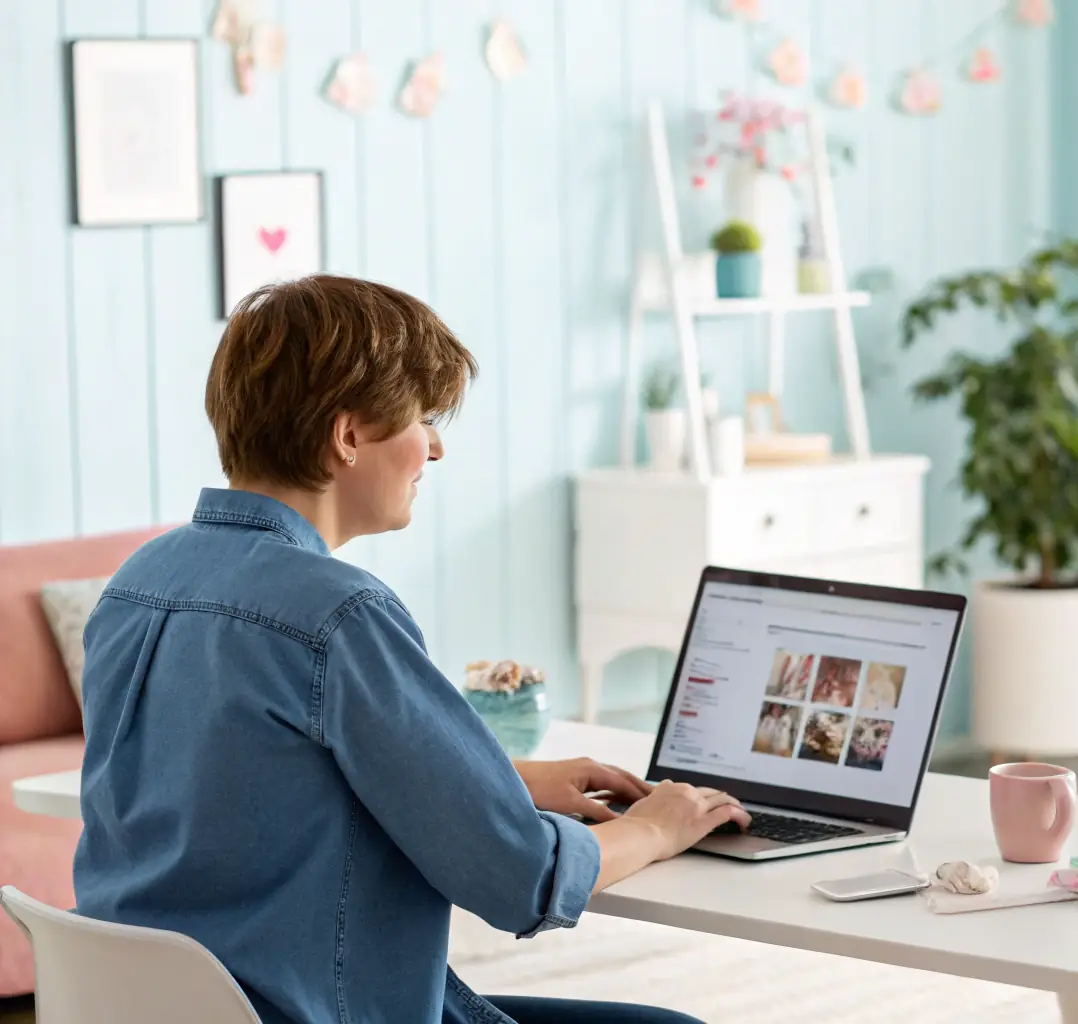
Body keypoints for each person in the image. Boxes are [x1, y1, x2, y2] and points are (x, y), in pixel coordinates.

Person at [72, 275, 751, 1024]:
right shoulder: (336, 614)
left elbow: (239, 779)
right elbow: (516, 878)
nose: (434, 446)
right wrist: (655, 827)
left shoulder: (140, 581)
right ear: (350, 435)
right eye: (422, 417)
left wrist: (502, 781)